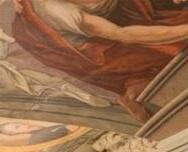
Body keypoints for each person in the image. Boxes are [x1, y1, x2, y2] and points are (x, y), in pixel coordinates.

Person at [12, 0, 188, 120]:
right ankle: (133, 91)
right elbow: (122, 34)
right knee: (165, 54)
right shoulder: (54, 9)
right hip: (103, 48)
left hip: (124, 17)